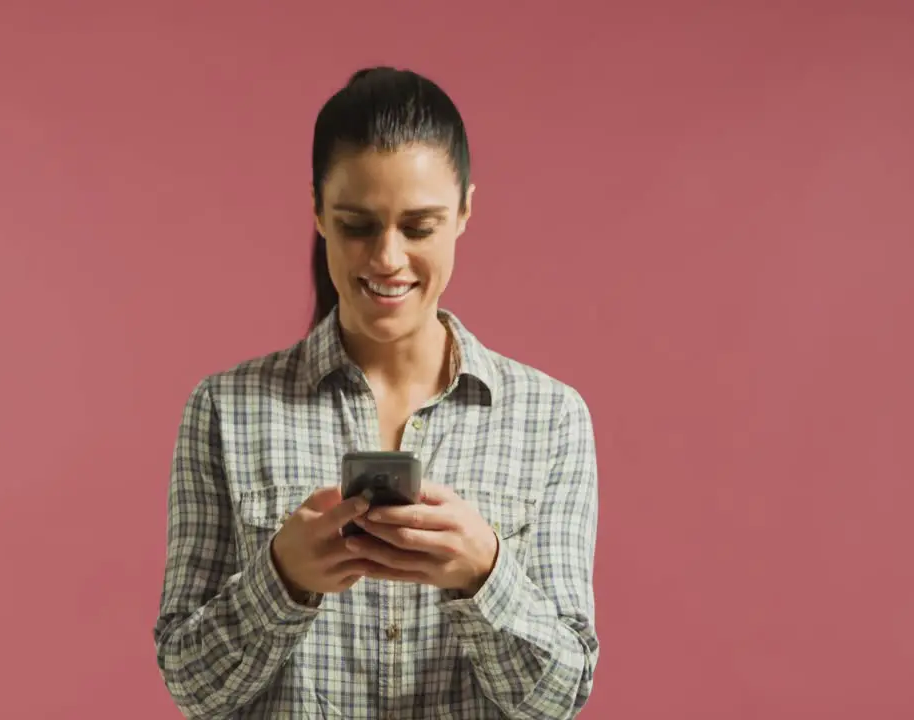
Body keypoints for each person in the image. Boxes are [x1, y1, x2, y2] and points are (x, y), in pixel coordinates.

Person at [153, 66, 600, 719]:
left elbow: (558, 700)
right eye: (358, 224)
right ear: (317, 211)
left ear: (465, 212)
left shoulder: (551, 418)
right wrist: (283, 579)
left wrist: (485, 573)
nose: (387, 258)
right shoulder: (226, 410)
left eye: (418, 227)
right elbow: (192, 685)